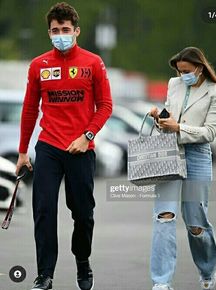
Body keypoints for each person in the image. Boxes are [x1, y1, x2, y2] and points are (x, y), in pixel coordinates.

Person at [16, 2, 112, 290]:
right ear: (49, 33)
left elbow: (105, 105)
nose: (61, 34)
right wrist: (23, 151)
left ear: (76, 31)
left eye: (66, 30)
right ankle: (45, 274)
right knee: (43, 211)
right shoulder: (39, 65)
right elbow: (30, 109)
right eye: (56, 30)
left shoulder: (93, 62)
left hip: (81, 149)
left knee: (82, 214)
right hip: (48, 147)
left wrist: (88, 137)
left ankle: (83, 262)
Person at [149, 47, 216, 290]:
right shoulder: (174, 84)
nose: (182, 75)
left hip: (198, 157)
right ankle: (161, 282)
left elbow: (211, 132)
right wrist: (159, 118)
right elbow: (169, 119)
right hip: (170, 153)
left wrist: (180, 128)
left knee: (196, 224)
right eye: (178, 71)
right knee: (164, 217)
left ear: (199, 67)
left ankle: (207, 268)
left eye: (186, 71)